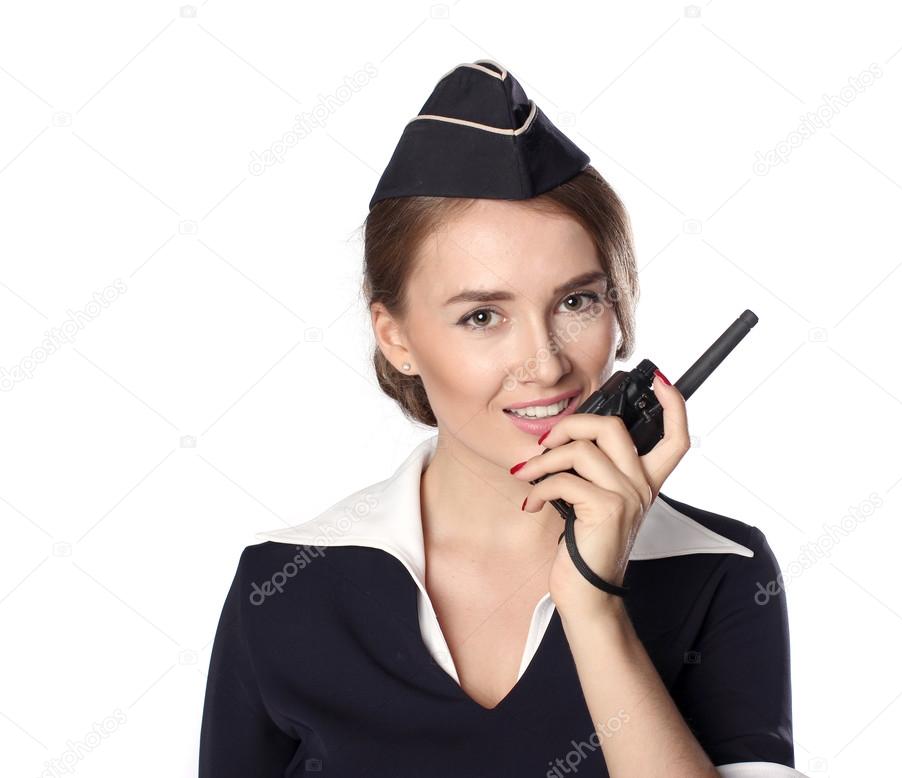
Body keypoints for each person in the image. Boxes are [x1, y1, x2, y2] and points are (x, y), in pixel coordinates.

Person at [198, 59, 806, 778]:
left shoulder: (717, 571)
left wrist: (595, 608)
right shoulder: (287, 582)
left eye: (577, 302)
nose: (544, 364)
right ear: (395, 337)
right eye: (483, 316)